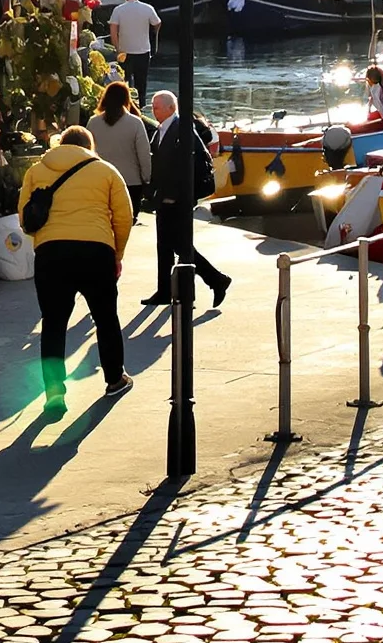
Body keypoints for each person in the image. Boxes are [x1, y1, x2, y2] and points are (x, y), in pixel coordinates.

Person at [18, 125, 134, 419]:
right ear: (89, 146)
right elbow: (124, 216)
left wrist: (45, 242)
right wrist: (116, 253)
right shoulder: (105, 171)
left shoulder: (36, 170)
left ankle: (54, 392)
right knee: (106, 317)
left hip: (51, 254)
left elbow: (24, 216)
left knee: (54, 324)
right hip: (96, 252)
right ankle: (114, 379)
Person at [144, 90, 230, 307]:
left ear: (171, 108)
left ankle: (216, 279)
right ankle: (164, 290)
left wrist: (174, 195)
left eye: (157, 107)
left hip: (177, 197)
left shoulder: (181, 129)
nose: (153, 111)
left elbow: (186, 165)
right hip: (164, 196)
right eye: (152, 107)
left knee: (179, 244)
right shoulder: (162, 130)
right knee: (164, 245)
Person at [88, 79, 153, 213]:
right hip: (131, 182)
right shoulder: (135, 123)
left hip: (101, 181)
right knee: (127, 220)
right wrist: (146, 178)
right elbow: (144, 154)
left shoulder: (93, 123)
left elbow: (87, 152)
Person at [105, 0, 160, 99]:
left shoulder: (118, 10)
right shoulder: (147, 8)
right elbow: (157, 23)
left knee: (124, 82)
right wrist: (154, 33)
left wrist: (117, 47)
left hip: (124, 51)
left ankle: (126, 105)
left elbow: (113, 30)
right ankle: (141, 105)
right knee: (142, 83)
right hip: (143, 50)